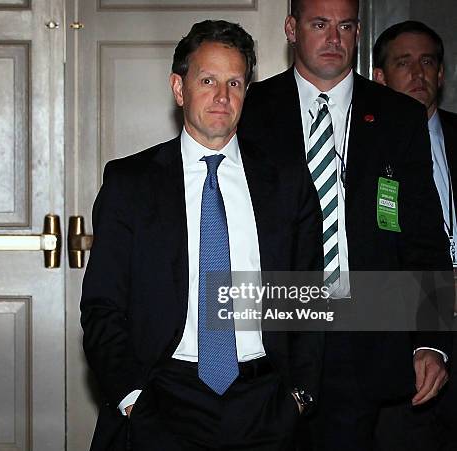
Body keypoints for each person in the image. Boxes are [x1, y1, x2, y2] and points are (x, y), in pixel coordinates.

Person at [81, 19, 324, 451]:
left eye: (235, 82)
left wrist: (299, 397)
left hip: (265, 404)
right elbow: (102, 307)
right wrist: (133, 399)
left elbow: (307, 296)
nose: (222, 96)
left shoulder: (287, 182)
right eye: (208, 79)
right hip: (164, 400)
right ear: (179, 88)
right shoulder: (130, 183)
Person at [238, 1, 453, 450]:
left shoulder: (398, 116)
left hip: (366, 341)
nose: (335, 39)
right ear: (292, 29)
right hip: (272, 340)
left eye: (346, 26)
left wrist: (431, 340)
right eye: (320, 25)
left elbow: (425, 237)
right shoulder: (248, 110)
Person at [373, 20, 457, 451]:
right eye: (403, 63)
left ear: (441, 74)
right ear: (380, 77)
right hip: (406, 350)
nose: (418, 73)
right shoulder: (364, 152)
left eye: (427, 62)